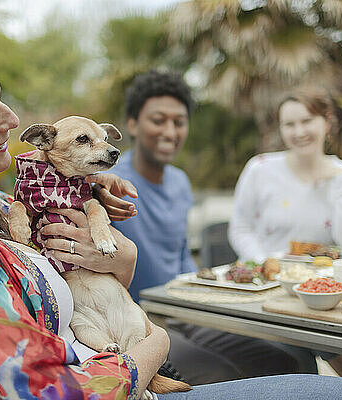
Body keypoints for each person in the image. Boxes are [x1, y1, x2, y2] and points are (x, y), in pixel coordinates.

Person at [0, 20, 342, 400]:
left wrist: (115, 255)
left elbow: (97, 263)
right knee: (338, 394)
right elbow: (50, 391)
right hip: (122, 368)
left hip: (113, 342)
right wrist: (156, 345)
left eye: (2, 99)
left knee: (301, 369)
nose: (12, 119)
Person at [108, 70, 324, 385]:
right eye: (158, 120)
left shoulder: (180, 182)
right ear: (132, 125)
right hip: (139, 322)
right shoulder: (109, 182)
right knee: (219, 373)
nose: (170, 131)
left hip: (187, 312)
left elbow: (181, 256)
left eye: (179, 122)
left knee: (288, 359)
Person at [228, 89, 342, 396]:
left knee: (313, 332)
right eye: (289, 124)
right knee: (306, 338)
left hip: (323, 289)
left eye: (307, 121)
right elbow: (240, 228)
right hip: (269, 288)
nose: (298, 132)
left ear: (327, 122)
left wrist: (337, 185)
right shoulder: (260, 168)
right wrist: (266, 263)